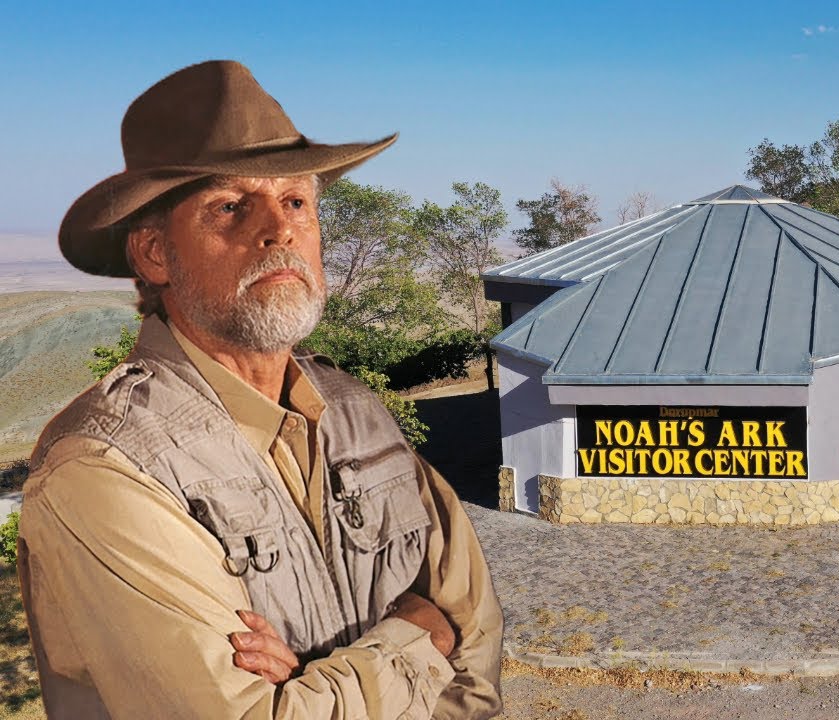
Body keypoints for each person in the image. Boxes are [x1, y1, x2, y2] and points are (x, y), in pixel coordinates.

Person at [16, 60, 503, 718]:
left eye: (296, 201)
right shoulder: (103, 471)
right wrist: (417, 636)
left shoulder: (356, 412)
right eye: (230, 207)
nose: (280, 229)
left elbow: (474, 633)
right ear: (155, 254)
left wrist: (311, 679)